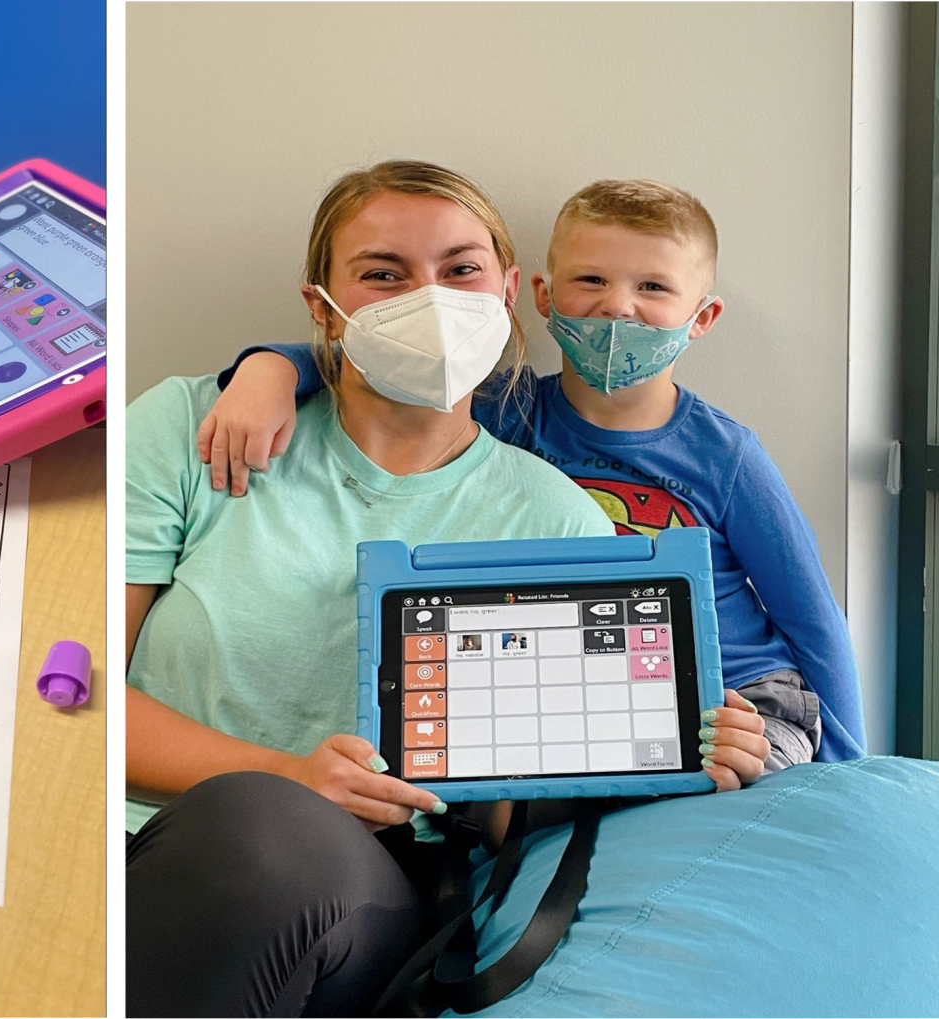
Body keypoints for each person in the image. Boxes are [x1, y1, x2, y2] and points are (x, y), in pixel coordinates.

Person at [124, 160, 616, 1017]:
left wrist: (676, 749)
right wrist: (285, 771)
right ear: (324, 307)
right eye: (384, 274)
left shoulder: (558, 521)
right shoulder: (193, 431)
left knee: (266, 835)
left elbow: (514, 812)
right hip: (125, 835)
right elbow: (71, 689)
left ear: (505, 291)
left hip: (366, 884)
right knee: (259, 814)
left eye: (460, 269)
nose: (428, 297)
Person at [201, 178, 852, 779]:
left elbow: (812, 617)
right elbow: (370, 367)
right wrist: (271, 369)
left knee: (714, 804)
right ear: (540, 296)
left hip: (742, 695)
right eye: (592, 279)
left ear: (701, 317)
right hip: (585, 691)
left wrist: (856, 772)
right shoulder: (502, 411)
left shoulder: (725, 454)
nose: (618, 307)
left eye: (653, 288)